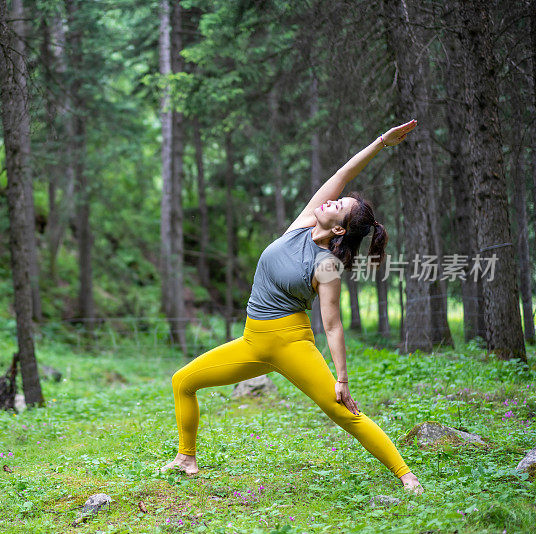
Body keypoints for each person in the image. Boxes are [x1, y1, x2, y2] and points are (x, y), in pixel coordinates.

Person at [161, 119, 424, 494]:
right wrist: (381, 142)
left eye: (339, 207)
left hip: (291, 344)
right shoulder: (302, 224)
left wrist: (342, 379)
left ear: (338, 230)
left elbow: (332, 326)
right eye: (335, 199)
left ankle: (406, 475)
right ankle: (186, 458)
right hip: (252, 342)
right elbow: (343, 174)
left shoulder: (327, 265)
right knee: (183, 381)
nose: (330, 200)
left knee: (342, 413)